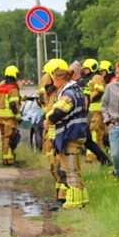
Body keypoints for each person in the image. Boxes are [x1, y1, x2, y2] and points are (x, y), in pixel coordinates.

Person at [45, 65, 90, 209]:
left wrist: (48, 120)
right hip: (77, 134)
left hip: (69, 135)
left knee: (69, 170)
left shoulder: (68, 94)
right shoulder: (77, 91)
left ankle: (74, 202)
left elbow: (58, 112)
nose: (53, 84)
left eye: (54, 80)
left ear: (60, 80)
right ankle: (82, 198)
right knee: (75, 169)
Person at [38, 58, 70, 209]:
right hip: (54, 135)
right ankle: (59, 197)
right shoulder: (54, 93)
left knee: (61, 168)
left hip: (60, 136)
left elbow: (58, 116)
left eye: (50, 76)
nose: (48, 80)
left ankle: (63, 198)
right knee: (55, 168)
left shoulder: (64, 94)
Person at [80, 59, 109, 164]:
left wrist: (87, 98)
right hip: (90, 110)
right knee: (95, 133)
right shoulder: (89, 79)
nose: (85, 71)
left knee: (94, 132)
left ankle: (91, 158)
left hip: (95, 111)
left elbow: (99, 92)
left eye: (87, 69)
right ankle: (99, 158)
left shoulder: (97, 78)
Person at [0, 65, 23, 166]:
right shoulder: (13, 88)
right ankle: (10, 161)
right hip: (10, 118)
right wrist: (18, 117)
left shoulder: (1, 87)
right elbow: (13, 104)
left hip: (1, 117)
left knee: (4, 138)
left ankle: (5, 159)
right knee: (10, 138)